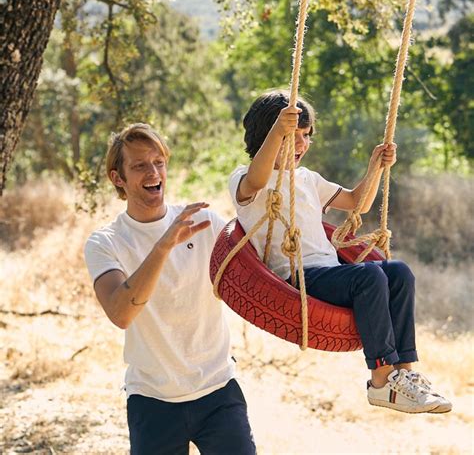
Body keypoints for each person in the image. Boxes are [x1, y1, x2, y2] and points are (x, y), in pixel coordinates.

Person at [229, 90, 452, 414]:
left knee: (400, 272)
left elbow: (356, 203)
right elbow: (257, 179)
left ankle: (405, 375)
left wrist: (375, 167)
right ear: (267, 134)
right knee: (369, 278)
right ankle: (380, 380)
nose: (302, 145)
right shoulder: (245, 178)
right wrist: (279, 131)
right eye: (295, 135)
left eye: (307, 136)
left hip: (330, 272)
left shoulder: (307, 179)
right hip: (298, 277)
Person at [84, 123, 256, 455]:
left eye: (158, 161)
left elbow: (257, 271)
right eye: (139, 166)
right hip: (152, 400)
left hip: (218, 390)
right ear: (117, 177)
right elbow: (121, 313)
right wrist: (163, 246)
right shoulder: (105, 243)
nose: (153, 172)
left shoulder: (204, 222)